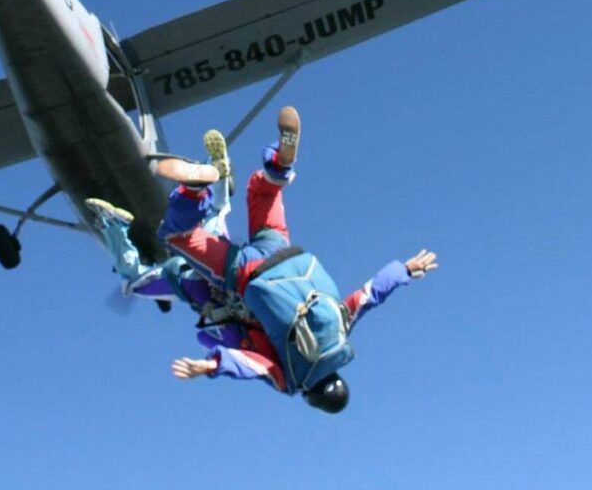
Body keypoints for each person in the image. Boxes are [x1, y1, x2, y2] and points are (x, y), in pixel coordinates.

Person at [88, 107, 438, 414]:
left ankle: (280, 164)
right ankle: (196, 191)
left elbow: (371, 294)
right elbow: (252, 364)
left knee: (263, 189)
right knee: (176, 238)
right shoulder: (291, 378)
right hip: (245, 274)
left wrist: (405, 270)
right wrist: (211, 366)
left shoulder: (341, 333)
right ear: (311, 398)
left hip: (285, 250)